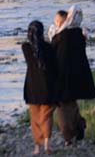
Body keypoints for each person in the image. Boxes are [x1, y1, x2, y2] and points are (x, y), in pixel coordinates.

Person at [51, 6, 95, 145]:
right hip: (77, 77)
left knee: (62, 106)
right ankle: (78, 127)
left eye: (58, 21)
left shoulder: (59, 36)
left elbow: (53, 54)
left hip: (63, 77)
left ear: (65, 20)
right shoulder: (79, 33)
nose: (57, 23)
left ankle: (69, 137)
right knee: (71, 103)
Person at [22, 20, 60, 155]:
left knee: (35, 117)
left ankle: (37, 147)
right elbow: (55, 67)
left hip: (32, 87)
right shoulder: (49, 48)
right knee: (46, 116)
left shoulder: (25, 48)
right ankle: (47, 145)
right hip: (48, 87)